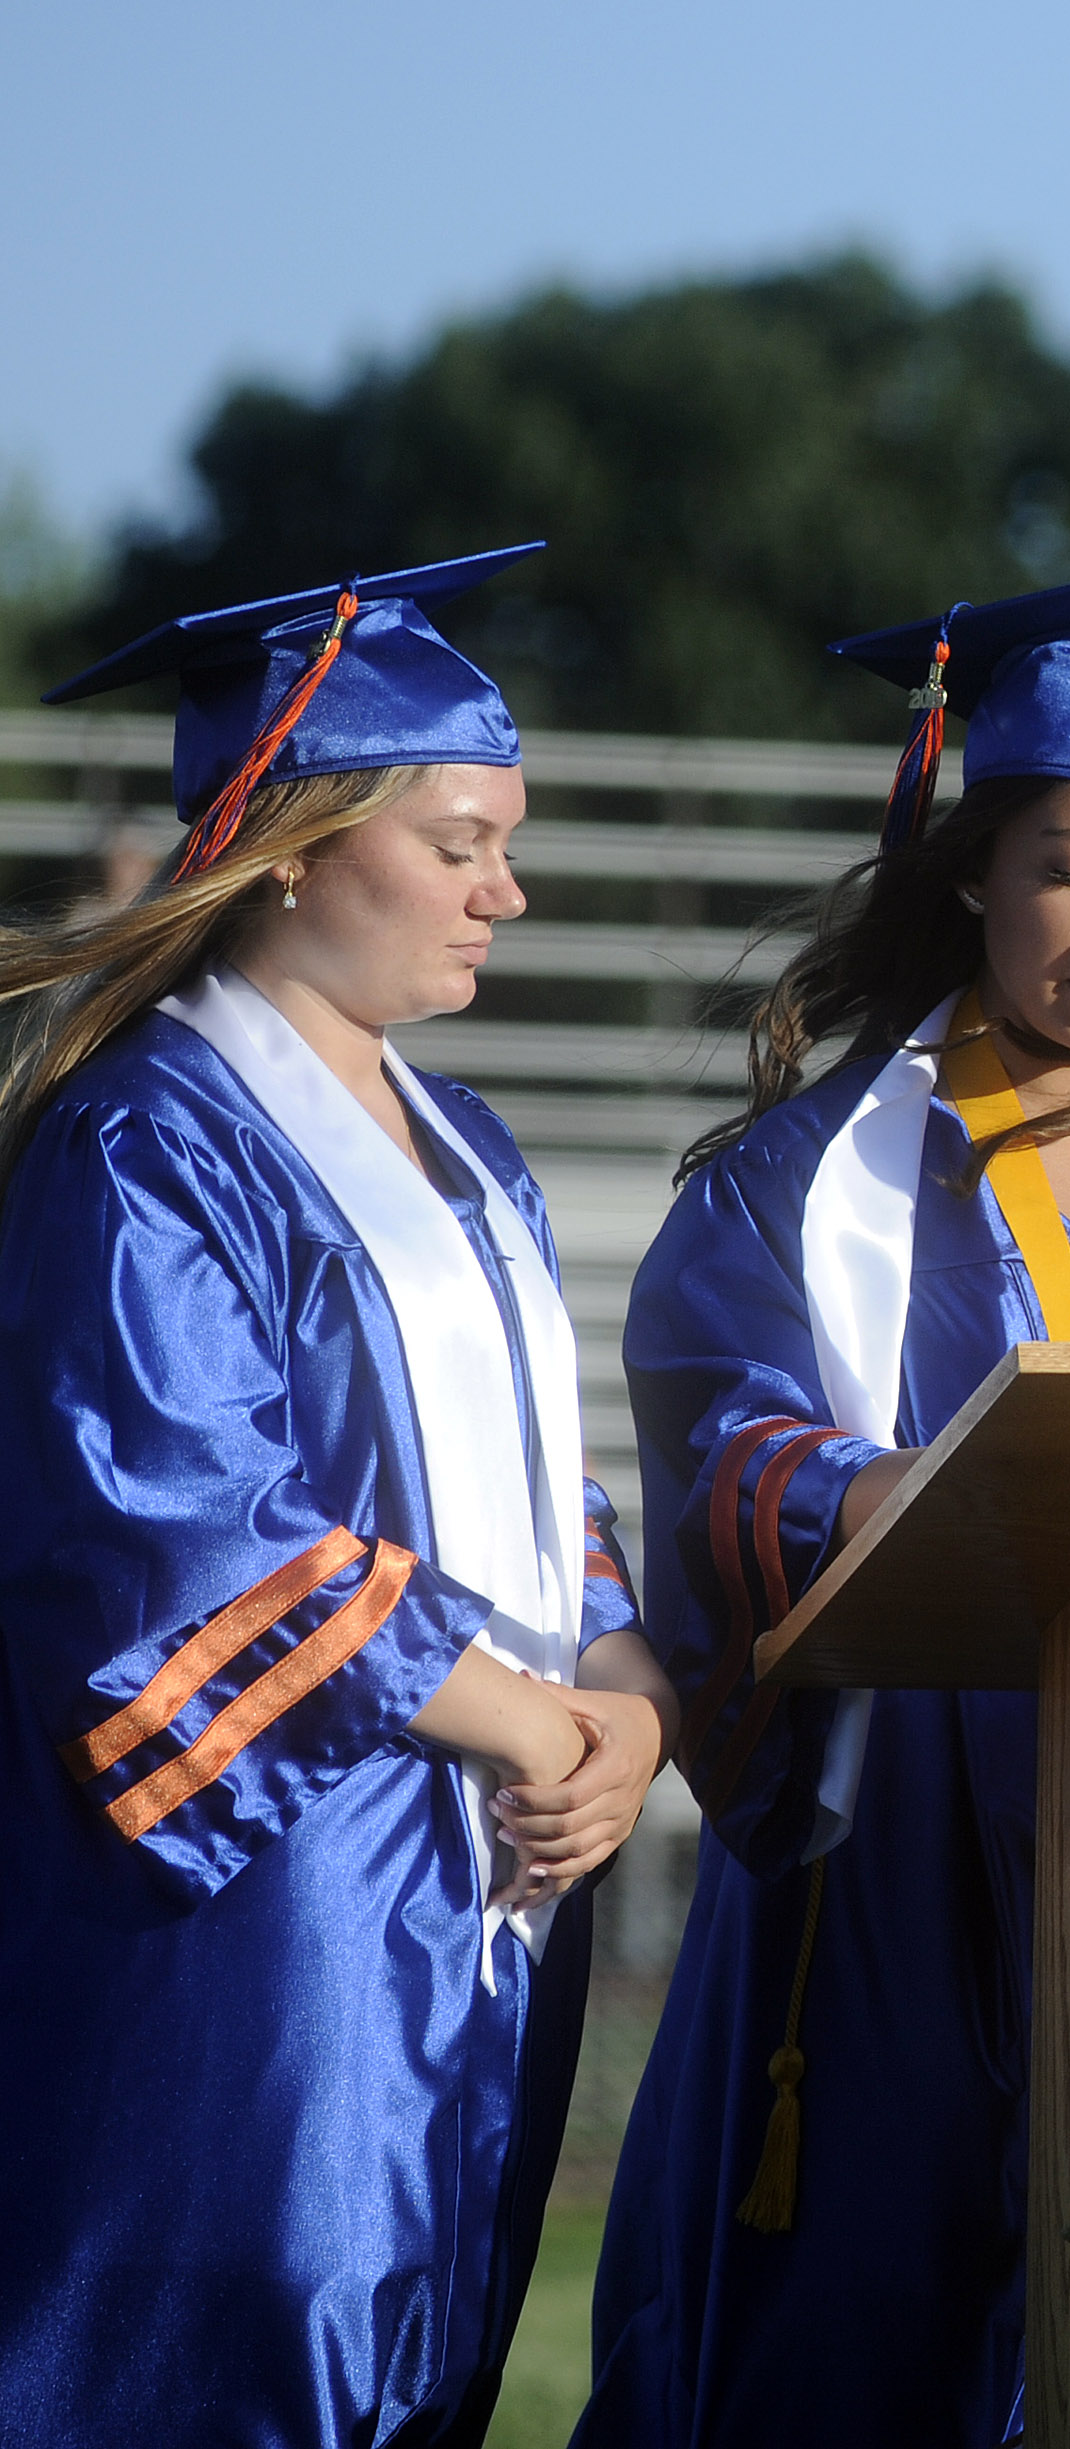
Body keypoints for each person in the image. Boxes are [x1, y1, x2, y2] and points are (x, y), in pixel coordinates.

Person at [579, 566, 1070, 2448]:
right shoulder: (791, 1187)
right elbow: (730, 1473)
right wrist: (975, 1504)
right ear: (973, 869)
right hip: (893, 1872)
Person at [0, 548, 669, 2448]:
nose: (505, 890)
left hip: (481, 1886)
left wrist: (636, 1700)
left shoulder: (470, 1147)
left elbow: (552, 1500)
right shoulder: (145, 1137)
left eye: (506, 841)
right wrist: (537, 1711)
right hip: (275, 1918)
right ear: (295, 840)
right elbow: (176, 1529)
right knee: (248, 2368)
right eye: (458, 840)